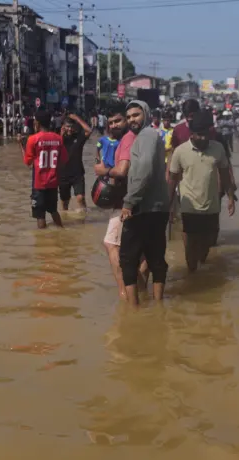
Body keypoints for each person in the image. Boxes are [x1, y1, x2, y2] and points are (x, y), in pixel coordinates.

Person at [168, 111, 235, 272]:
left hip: (211, 206)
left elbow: (225, 174)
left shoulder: (218, 149)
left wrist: (231, 198)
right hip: (188, 205)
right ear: (192, 134)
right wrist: (169, 206)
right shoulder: (180, 152)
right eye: (199, 135)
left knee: (206, 246)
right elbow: (172, 180)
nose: (203, 138)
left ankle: (200, 267)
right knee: (191, 247)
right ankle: (192, 277)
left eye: (205, 134)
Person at [119, 100, 171, 307]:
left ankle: (134, 309)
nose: (132, 120)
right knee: (155, 257)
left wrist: (129, 201)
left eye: (136, 115)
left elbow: (146, 168)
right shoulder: (148, 136)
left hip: (144, 208)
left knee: (128, 260)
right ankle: (158, 308)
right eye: (129, 116)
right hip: (156, 208)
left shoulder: (147, 135)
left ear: (146, 114)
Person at [95, 103, 148, 299]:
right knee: (142, 250)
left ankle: (125, 291)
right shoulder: (142, 137)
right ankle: (141, 291)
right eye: (111, 123)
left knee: (111, 245)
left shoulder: (127, 140)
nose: (114, 125)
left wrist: (104, 171)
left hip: (126, 202)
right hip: (143, 200)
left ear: (126, 120)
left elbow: (123, 170)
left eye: (118, 120)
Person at [23, 109, 68, 229]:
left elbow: (28, 162)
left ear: (37, 123)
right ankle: (62, 230)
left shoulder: (32, 139)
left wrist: (20, 145)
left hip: (39, 184)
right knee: (53, 211)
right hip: (53, 183)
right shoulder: (58, 139)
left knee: (40, 216)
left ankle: (42, 244)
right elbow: (63, 160)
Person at [58, 113, 92, 211]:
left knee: (80, 198)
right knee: (65, 203)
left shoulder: (78, 137)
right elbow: (56, 151)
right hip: (63, 175)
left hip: (77, 174)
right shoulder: (58, 139)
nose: (70, 129)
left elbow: (89, 130)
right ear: (63, 127)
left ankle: (84, 215)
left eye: (72, 127)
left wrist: (77, 118)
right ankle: (65, 218)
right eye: (67, 126)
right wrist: (60, 135)